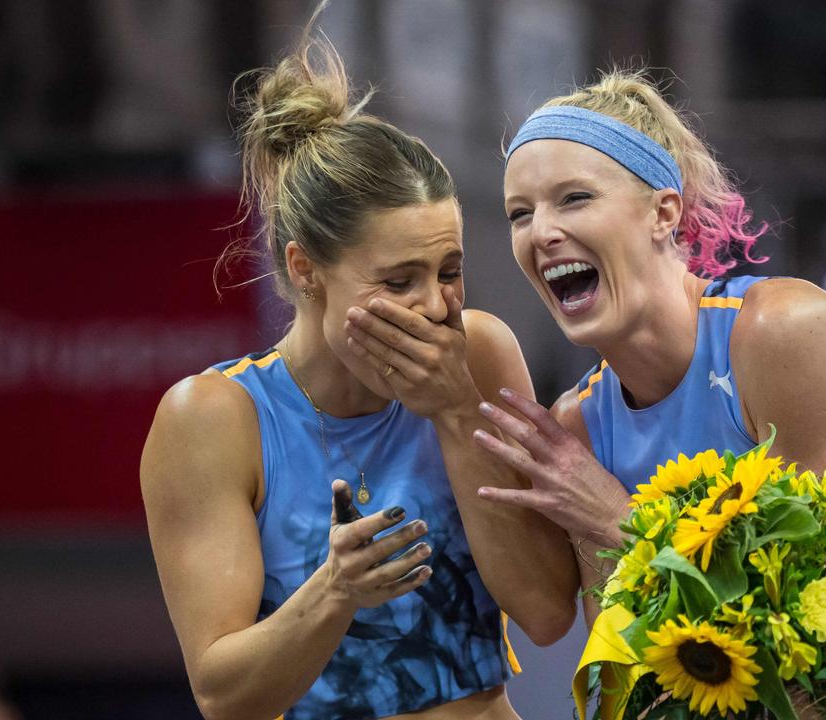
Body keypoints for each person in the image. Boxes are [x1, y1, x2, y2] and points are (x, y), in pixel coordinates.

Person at [472, 70, 826, 718]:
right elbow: (638, 676)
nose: (540, 232)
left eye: (573, 199)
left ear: (663, 212)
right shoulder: (579, 431)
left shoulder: (782, 333)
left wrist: (616, 520)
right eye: (520, 212)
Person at [139, 13, 577, 720]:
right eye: (399, 281)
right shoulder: (213, 419)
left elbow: (547, 612)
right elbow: (224, 695)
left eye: (450, 271)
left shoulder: (480, 352)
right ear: (304, 270)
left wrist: (458, 412)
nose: (436, 306)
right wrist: (336, 588)